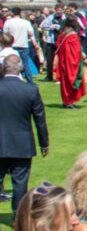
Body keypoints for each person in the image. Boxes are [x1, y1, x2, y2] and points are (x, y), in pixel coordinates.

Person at [0, 54, 47, 209]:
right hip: (22, 144)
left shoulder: (30, 89)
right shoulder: (30, 90)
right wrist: (44, 143)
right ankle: (17, 217)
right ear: (20, 68)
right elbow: (39, 119)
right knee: (20, 183)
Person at [53, 19, 85, 109]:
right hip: (69, 63)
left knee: (67, 84)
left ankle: (69, 101)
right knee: (68, 83)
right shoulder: (71, 37)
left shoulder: (69, 36)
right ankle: (68, 102)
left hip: (67, 62)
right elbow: (72, 52)